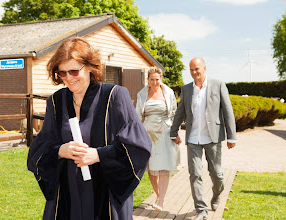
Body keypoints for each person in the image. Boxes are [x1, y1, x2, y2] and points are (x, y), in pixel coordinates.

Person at [27, 37, 152, 220]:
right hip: (67, 198)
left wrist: (99, 155)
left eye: (74, 71)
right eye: (62, 73)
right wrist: (60, 151)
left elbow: (138, 147)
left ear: (90, 67)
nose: (69, 78)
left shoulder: (115, 96)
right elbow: (39, 149)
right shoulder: (56, 102)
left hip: (106, 197)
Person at [170, 57, 236, 220]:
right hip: (193, 138)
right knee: (195, 174)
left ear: (205, 68)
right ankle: (201, 209)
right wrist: (173, 131)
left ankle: (216, 195)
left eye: (197, 69)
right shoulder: (186, 89)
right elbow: (180, 112)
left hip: (213, 138)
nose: (194, 72)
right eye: (191, 69)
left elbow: (228, 111)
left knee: (217, 174)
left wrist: (231, 136)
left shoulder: (218, 85)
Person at [136, 66, 180, 212]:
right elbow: (137, 116)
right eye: (152, 80)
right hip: (148, 134)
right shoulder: (141, 94)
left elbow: (174, 113)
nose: (155, 82)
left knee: (164, 167)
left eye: (157, 79)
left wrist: (175, 132)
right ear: (147, 80)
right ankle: (159, 195)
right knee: (151, 168)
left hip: (165, 132)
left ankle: (160, 200)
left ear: (161, 79)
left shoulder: (168, 93)